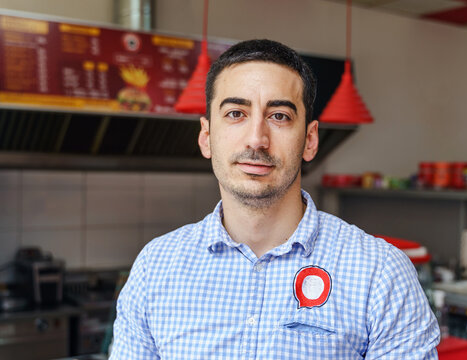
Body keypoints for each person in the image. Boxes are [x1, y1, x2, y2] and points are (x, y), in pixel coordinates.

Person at [110, 39, 440, 359]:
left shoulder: (380, 274)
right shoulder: (155, 267)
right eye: (236, 113)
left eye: (279, 116)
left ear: (310, 141)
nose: (257, 138)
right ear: (207, 137)